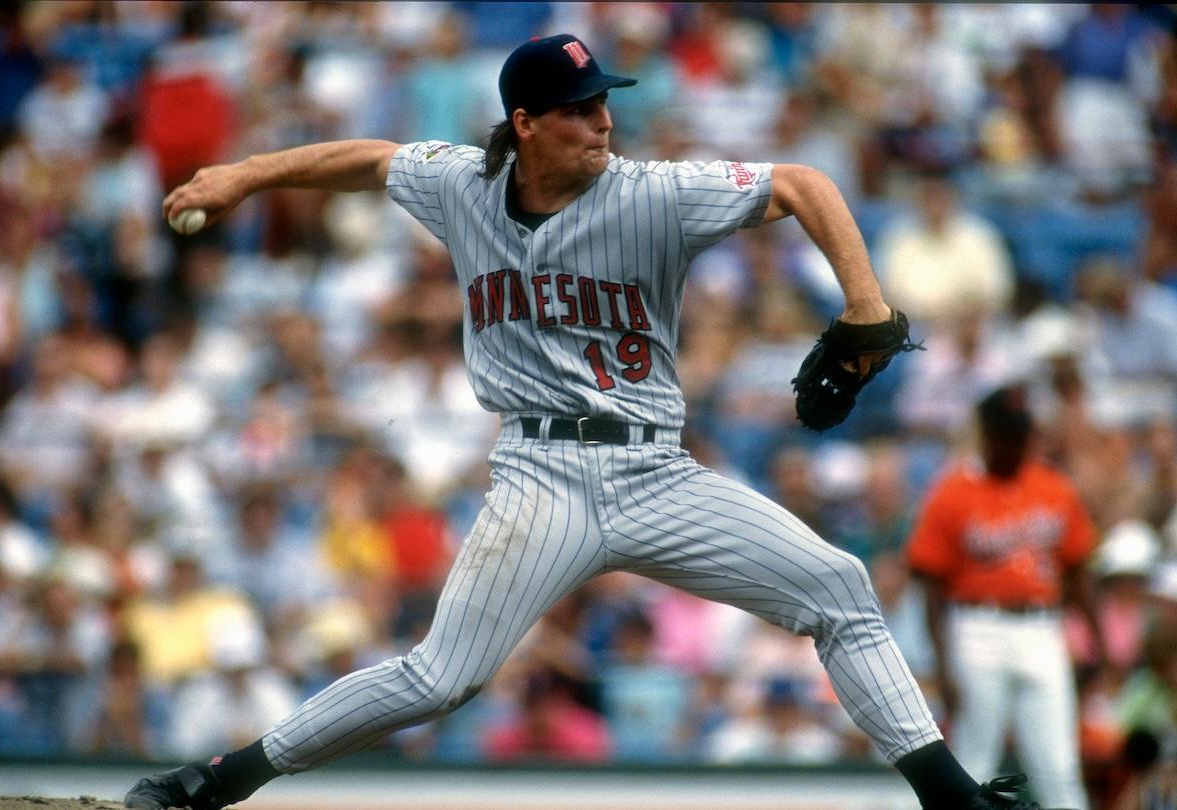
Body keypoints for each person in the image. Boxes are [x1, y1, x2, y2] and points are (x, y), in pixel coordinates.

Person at [126, 34, 1058, 810]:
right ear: (525, 125)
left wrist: (865, 305)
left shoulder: (650, 191)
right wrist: (244, 175)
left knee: (839, 587)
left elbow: (807, 183)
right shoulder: (460, 184)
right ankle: (218, 782)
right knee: (441, 678)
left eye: (604, 101)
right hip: (539, 478)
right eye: (579, 107)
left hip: (658, 474)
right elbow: (368, 160)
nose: (603, 120)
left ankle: (951, 797)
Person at [906, 385, 1105, 810]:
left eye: (1021, 433)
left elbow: (1077, 570)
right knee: (975, 762)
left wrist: (1096, 642)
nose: (1016, 443)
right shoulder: (953, 490)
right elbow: (932, 587)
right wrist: (943, 666)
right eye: (1007, 433)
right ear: (987, 433)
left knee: (1058, 765)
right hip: (978, 627)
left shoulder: (1053, 486)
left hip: (1042, 627)